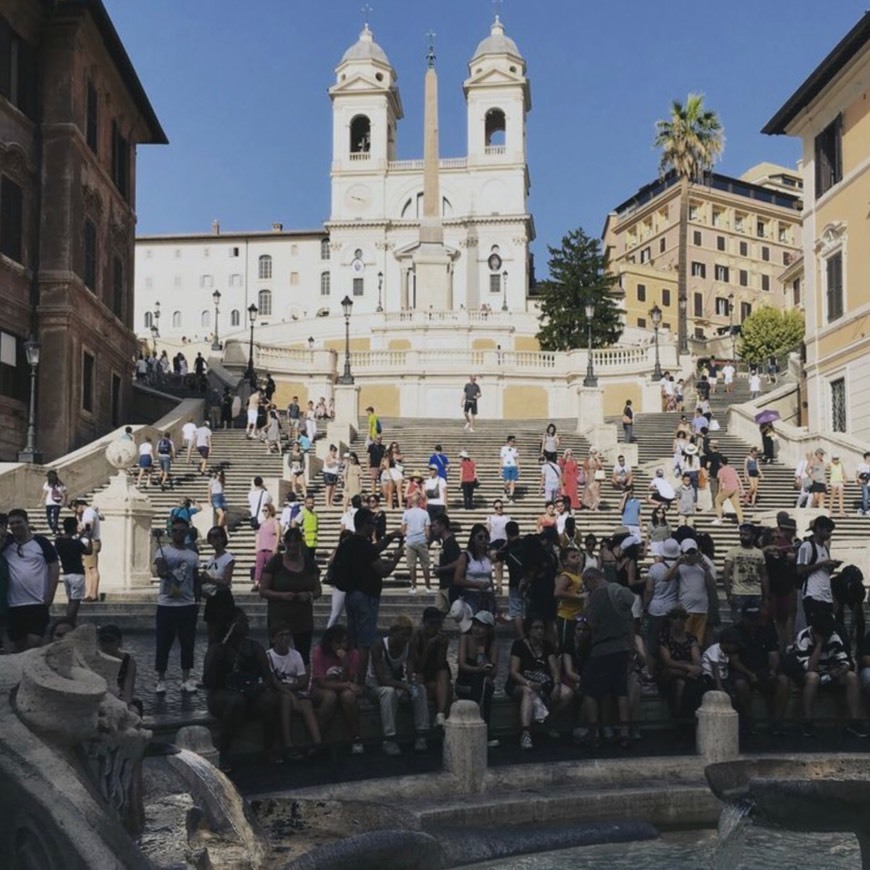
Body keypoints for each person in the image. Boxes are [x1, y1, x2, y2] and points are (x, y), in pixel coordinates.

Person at [203, 607, 281, 769]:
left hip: (250, 693)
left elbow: (268, 678)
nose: (246, 624)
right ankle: (223, 751)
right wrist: (217, 658)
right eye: (242, 621)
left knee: (270, 700)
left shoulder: (254, 647)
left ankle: (269, 747)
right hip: (222, 694)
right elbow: (208, 682)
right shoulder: (217, 649)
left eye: (246, 621)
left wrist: (257, 688)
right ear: (230, 625)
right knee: (236, 701)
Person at [331, 508, 404, 680]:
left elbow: (373, 550)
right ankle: (361, 682)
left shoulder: (348, 543)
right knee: (365, 643)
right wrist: (396, 558)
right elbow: (383, 570)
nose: (374, 527)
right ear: (365, 524)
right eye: (373, 523)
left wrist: (389, 537)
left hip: (350, 595)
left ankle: (349, 677)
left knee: (352, 641)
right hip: (366, 596)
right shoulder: (364, 545)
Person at [783, 610, 869, 738]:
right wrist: (819, 644)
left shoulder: (833, 635)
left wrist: (840, 670)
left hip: (830, 671)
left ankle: (854, 721)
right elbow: (809, 667)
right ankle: (808, 721)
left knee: (852, 677)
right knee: (813, 677)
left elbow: (845, 661)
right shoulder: (804, 636)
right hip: (808, 673)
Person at [579, 567, 636, 748]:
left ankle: (594, 732)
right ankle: (625, 732)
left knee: (589, 688)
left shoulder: (597, 595)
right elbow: (630, 623)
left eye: (586, 584)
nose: (586, 588)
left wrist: (586, 609)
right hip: (622, 647)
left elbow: (592, 624)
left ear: (591, 579)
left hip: (602, 649)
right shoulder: (618, 591)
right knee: (621, 689)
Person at [366, 614, 430, 755]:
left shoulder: (409, 646)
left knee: (420, 689)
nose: (405, 639)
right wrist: (404, 686)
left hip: (396, 685)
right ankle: (389, 739)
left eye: (408, 635)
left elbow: (410, 671)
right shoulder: (379, 646)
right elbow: (382, 680)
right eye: (403, 635)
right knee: (388, 693)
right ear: (393, 633)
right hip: (375, 687)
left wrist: (412, 683)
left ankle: (421, 734)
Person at [506, 615, 572, 750]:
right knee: (528, 692)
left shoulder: (547, 645)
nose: (540, 631)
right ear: (529, 630)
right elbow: (514, 671)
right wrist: (527, 683)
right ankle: (525, 732)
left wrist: (557, 685)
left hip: (542, 683)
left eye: (541, 628)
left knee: (568, 693)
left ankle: (548, 720)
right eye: (536, 628)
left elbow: (554, 670)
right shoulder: (519, 645)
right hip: (520, 683)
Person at [153, 517, 201, 695]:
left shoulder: (193, 555)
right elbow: (160, 570)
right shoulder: (162, 551)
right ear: (170, 532)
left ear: (187, 532)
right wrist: (164, 571)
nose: (178, 534)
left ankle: (186, 678)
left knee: (187, 643)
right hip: (166, 603)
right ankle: (161, 679)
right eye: (175, 530)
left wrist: (197, 600)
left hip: (187, 604)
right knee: (163, 642)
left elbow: (195, 579)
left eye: (182, 530)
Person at [259, 527, 321, 663]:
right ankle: (276, 681)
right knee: (277, 655)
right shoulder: (275, 562)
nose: (292, 545)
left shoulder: (309, 563)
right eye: (289, 542)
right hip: (279, 618)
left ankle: (302, 681)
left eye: (296, 542)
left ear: (300, 543)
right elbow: (263, 590)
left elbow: (318, 590)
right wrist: (281, 595)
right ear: (285, 543)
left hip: (302, 618)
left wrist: (309, 595)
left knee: (303, 655)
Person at [2, 509, 59, 651]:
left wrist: (50, 594)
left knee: (35, 641)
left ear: (27, 522)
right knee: (18, 644)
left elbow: (54, 566)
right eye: (12, 523)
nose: (15, 526)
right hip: (14, 603)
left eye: (18, 522)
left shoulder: (41, 542)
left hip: (37, 601)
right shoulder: (6, 544)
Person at [730, 601, 790, 736]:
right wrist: (749, 673)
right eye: (750, 620)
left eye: (755, 619)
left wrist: (773, 670)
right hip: (743, 670)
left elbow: (773, 653)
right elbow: (734, 660)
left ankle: (777, 721)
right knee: (740, 684)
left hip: (763, 669)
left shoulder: (767, 630)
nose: (753, 623)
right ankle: (748, 720)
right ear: (744, 618)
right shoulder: (735, 632)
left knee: (783, 680)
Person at [267, 622, 322, 757]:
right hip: (279, 692)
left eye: (287, 635)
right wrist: (289, 693)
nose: (286, 638)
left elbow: (302, 680)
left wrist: (289, 690)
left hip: (294, 690)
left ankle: (317, 742)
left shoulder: (296, 655)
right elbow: (272, 681)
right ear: (273, 639)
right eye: (281, 635)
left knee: (306, 703)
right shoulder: (268, 656)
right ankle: (288, 744)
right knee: (285, 699)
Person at [311, 624, 364, 752]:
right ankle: (317, 739)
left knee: (349, 697)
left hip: (342, 686)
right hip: (320, 689)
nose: (342, 646)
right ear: (330, 642)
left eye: (345, 642)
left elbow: (348, 679)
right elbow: (322, 683)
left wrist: (345, 663)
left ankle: (356, 738)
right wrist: (346, 685)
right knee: (330, 697)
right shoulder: (319, 652)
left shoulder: (353, 654)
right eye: (338, 642)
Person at [456, 610, 500, 746]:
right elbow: (462, 665)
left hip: (482, 684)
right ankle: (483, 728)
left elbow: (493, 673)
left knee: (485, 683)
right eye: (475, 625)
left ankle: (481, 727)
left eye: (481, 626)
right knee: (482, 681)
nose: (477, 629)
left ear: (488, 629)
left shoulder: (493, 645)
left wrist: (482, 656)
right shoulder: (465, 638)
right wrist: (479, 669)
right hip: (465, 682)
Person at [664, 538, 717, 643]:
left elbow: (712, 585)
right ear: (683, 553)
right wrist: (677, 562)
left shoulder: (704, 565)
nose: (691, 555)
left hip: (702, 609)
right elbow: (666, 578)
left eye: (693, 552)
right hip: (686, 610)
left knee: (698, 641)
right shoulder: (681, 566)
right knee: (684, 640)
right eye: (688, 552)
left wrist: (706, 569)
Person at [642, 538, 682, 675]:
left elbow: (649, 590)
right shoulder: (680, 567)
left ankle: (651, 673)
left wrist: (645, 607)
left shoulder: (655, 568)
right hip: (673, 609)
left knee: (652, 643)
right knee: (670, 643)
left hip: (656, 609)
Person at [657, 606, 704, 720]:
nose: (679, 620)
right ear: (670, 620)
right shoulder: (664, 637)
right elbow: (667, 661)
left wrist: (694, 667)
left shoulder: (691, 638)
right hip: (671, 674)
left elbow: (697, 659)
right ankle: (677, 718)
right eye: (675, 617)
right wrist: (687, 666)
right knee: (679, 683)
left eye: (682, 617)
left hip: (687, 673)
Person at [411, 607, 452, 729]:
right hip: (422, 676)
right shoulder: (416, 637)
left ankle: (440, 715)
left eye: (438, 624)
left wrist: (442, 647)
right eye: (432, 624)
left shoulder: (441, 637)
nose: (435, 628)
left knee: (444, 678)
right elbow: (417, 667)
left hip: (436, 676)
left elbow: (441, 664)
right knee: (447, 691)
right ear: (424, 622)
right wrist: (427, 648)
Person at [797, 515, 841, 627]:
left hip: (825, 595)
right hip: (812, 594)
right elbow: (800, 569)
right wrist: (822, 564)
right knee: (814, 628)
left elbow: (826, 572)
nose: (829, 534)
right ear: (818, 529)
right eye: (827, 531)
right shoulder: (806, 546)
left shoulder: (825, 548)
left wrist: (831, 566)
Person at [723, 522, 768, 622]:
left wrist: (765, 596)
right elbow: (726, 572)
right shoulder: (732, 552)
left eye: (746, 534)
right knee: (738, 623)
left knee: (755, 623)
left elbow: (764, 575)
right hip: (738, 593)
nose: (743, 537)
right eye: (741, 534)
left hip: (755, 593)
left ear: (753, 536)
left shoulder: (759, 553)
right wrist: (728, 593)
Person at [200, 526, 236, 646]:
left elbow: (226, 581)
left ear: (222, 538)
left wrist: (209, 579)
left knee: (223, 635)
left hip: (223, 598)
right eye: (210, 537)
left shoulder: (228, 558)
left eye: (216, 536)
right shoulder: (211, 559)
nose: (213, 539)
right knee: (212, 636)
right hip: (212, 598)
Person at [97, 624, 142, 716]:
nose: (107, 645)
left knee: (133, 712)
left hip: (120, 698)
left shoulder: (128, 660)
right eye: (103, 641)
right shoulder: (95, 658)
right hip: (98, 699)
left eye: (111, 641)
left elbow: (128, 692)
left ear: (119, 643)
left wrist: (120, 706)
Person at [54, 516, 91, 622]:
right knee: (75, 601)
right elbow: (88, 551)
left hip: (66, 574)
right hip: (77, 574)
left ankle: (69, 621)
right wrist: (89, 538)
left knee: (70, 600)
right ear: (74, 527)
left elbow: (71, 542)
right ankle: (69, 622)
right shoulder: (76, 543)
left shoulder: (59, 542)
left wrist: (81, 535)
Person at [453, 524, 496, 615]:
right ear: (473, 539)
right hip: (472, 595)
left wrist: (494, 599)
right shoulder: (465, 556)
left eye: (486, 537)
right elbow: (457, 579)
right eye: (480, 537)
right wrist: (476, 584)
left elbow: (490, 579)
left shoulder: (487, 557)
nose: (483, 540)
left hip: (487, 597)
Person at [554, 546, 586, 649]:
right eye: (573, 557)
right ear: (565, 562)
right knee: (565, 645)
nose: (577, 559)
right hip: (566, 616)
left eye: (578, 556)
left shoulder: (578, 575)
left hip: (576, 616)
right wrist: (578, 596)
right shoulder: (566, 576)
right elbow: (558, 592)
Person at [401, 492, 432, 594]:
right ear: (419, 501)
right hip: (421, 540)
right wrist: (427, 539)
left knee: (412, 565)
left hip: (410, 540)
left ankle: (413, 587)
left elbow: (403, 529)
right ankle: (428, 587)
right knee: (425, 565)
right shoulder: (425, 513)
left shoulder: (406, 513)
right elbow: (427, 530)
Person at [73, 498, 102, 601]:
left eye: (75, 509)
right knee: (88, 569)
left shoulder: (88, 512)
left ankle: (93, 594)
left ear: (80, 505)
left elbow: (88, 527)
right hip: (90, 542)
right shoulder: (88, 512)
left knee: (92, 568)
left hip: (91, 542)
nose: (75, 512)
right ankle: (88, 592)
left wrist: (80, 532)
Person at [431, 514, 461, 613]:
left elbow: (457, 564)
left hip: (450, 586)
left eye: (435, 526)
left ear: (443, 526)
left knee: (457, 613)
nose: (432, 528)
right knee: (436, 615)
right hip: (443, 585)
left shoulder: (451, 543)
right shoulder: (445, 543)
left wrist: (441, 569)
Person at [252, 503, 282, 592]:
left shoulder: (275, 522)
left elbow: (278, 534)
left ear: (270, 511)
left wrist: (276, 546)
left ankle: (271, 583)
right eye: (263, 511)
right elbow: (258, 535)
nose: (264, 512)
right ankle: (256, 583)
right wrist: (257, 548)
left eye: (266, 510)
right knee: (259, 566)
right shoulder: (262, 523)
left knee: (270, 567)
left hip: (270, 547)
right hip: (262, 548)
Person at [712, 457, 744, 524]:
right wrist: (742, 489)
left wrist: (719, 491)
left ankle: (719, 519)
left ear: (721, 463)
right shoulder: (732, 469)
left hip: (727, 488)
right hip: (735, 488)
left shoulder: (721, 471)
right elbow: (738, 479)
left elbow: (720, 482)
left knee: (717, 501)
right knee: (737, 507)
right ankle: (741, 522)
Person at [42, 470, 67, 535]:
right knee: (55, 517)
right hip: (57, 502)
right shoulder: (61, 483)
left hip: (49, 502)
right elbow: (65, 494)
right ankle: (54, 529)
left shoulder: (47, 483)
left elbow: (44, 493)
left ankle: (52, 527)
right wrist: (64, 502)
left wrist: (41, 501)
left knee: (49, 516)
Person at [500, 435, 520, 502]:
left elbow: (516, 459)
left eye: (514, 441)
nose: (513, 443)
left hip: (513, 466)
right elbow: (502, 459)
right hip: (506, 466)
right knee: (507, 481)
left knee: (513, 483)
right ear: (508, 441)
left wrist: (519, 468)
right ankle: (505, 491)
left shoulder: (515, 449)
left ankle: (511, 497)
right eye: (512, 441)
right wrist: (500, 468)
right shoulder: (503, 448)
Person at [857, 451, 870, 517]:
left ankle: (861, 508)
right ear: (866, 457)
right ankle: (866, 510)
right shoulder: (861, 465)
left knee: (867, 497)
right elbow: (858, 473)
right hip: (864, 483)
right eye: (869, 456)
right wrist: (858, 480)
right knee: (866, 497)